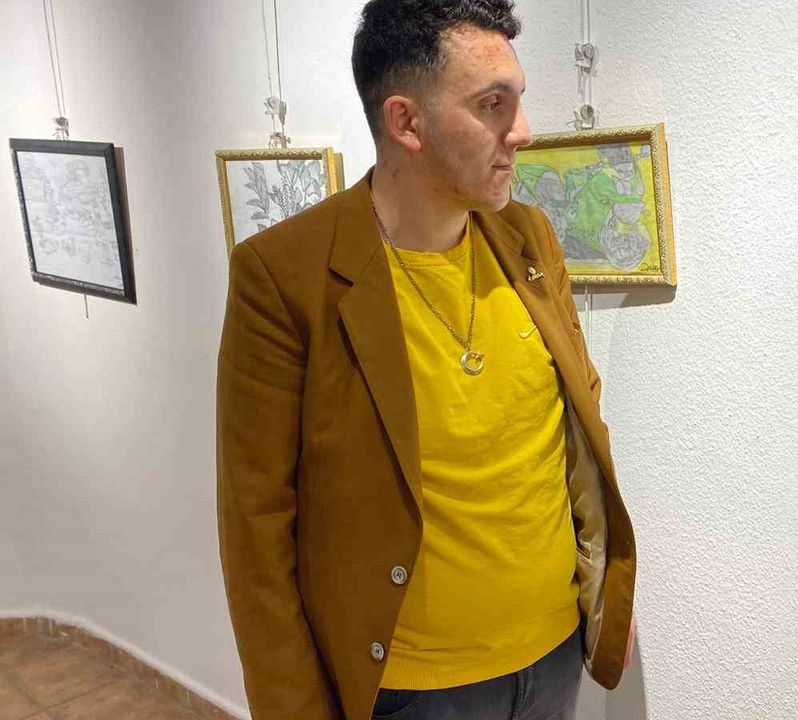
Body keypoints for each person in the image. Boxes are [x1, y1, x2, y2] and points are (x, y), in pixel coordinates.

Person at [215, 1, 636, 718]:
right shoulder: (285, 276)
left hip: (555, 655)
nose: (522, 131)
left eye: (517, 101)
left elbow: (577, 422)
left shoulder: (529, 238)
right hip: (412, 690)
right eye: (492, 105)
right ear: (406, 122)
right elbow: (256, 530)